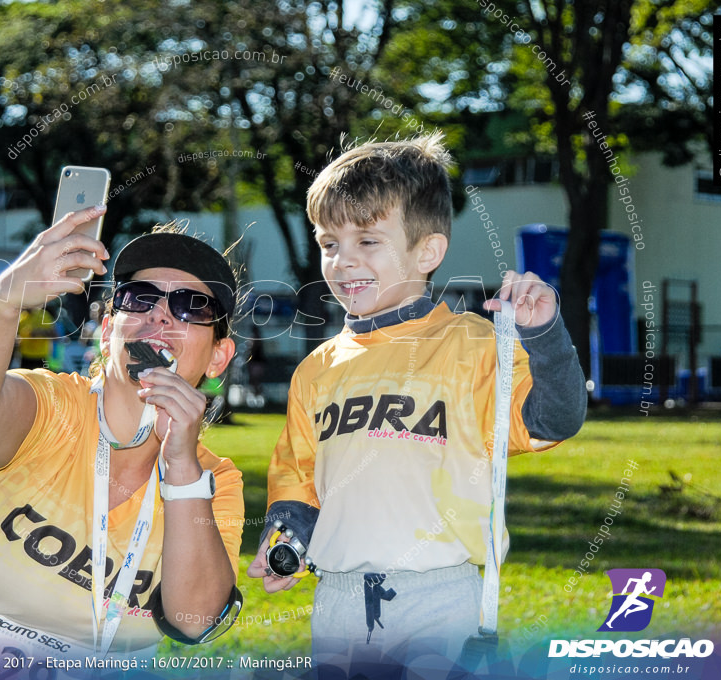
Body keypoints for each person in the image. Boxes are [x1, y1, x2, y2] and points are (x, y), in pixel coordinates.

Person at [246, 134, 587, 675]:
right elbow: (298, 474)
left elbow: (553, 419)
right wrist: (286, 536)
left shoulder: (473, 344)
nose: (343, 261)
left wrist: (543, 335)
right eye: (329, 242)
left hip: (439, 595)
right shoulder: (317, 368)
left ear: (426, 251)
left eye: (368, 241)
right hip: (336, 599)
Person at [0, 208, 245, 672]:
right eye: (140, 297)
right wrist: (7, 297)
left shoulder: (215, 482)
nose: (160, 316)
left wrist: (183, 471)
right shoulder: (53, 406)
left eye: (192, 305)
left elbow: (194, 620)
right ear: (109, 329)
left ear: (218, 356)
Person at [16, 305, 57, 370]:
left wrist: (39, 332)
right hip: (25, 356)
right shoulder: (21, 316)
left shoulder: (43, 315)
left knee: (42, 379)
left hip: (41, 356)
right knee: (25, 379)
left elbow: (55, 336)